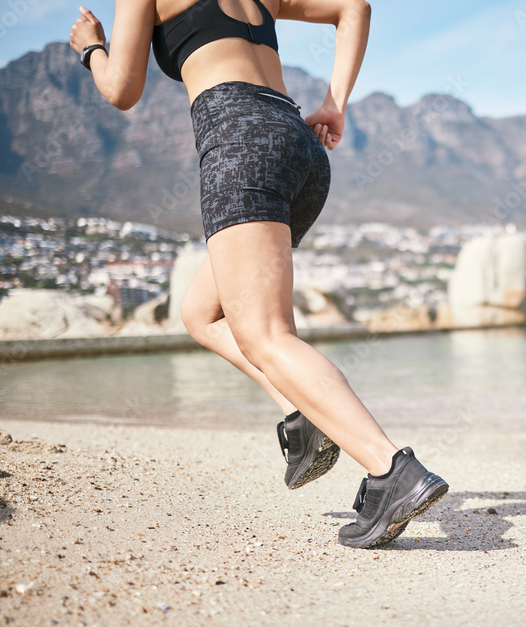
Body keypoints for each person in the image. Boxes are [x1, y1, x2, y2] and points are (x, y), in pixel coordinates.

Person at [69, 0, 447, 549]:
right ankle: (304, 416)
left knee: (267, 335)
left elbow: (121, 90)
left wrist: (90, 49)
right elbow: (354, 7)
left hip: (239, 140)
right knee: (201, 313)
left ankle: (393, 471)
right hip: (298, 143)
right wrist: (333, 105)